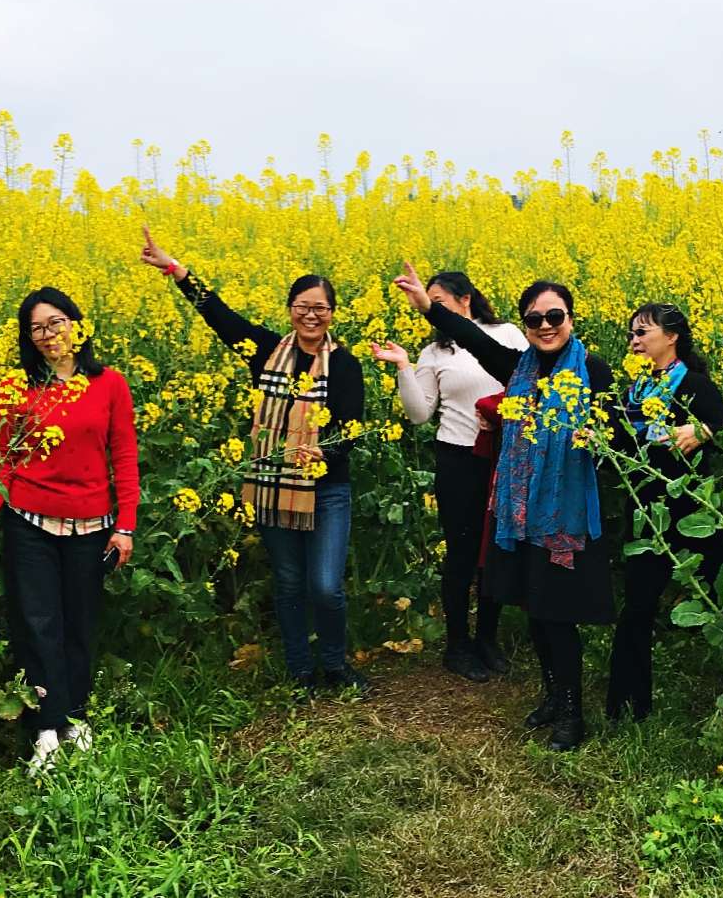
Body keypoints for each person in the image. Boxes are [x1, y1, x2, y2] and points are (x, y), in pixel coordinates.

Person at [391, 261, 614, 750]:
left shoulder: (593, 369)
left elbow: (617, 429)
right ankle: (552, 697)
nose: (545, 326)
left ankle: (572, 714)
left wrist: (598, 436)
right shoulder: (518, 368)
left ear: (571, 319)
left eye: (554, 316)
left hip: (566, 516)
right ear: (525, 325)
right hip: (523, 510)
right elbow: (471, 337)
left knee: (559, 615)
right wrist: (429, 308)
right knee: (537, 611)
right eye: (534, 319)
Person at [139, 229, 367, 695]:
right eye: (302, 306)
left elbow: (352, 428)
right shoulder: (266, 350)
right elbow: (218, 315)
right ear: (289, 309)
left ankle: (335, 665)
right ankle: (300, 671)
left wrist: (324, 452)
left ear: (332, 314)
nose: (310, 315)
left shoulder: (345, 365)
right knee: (289, 583)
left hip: (327, 489)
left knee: (325, 586)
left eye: (320, 308)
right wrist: (176, 270)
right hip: (272, 484)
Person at [0, 288, 139, 774]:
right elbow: (4, 454)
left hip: (91, 523)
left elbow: (124, 457)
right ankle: (47, 727)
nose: (47, 335)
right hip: (30, 520)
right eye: (36, 327)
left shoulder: (109, 384)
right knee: (38, 624)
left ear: (76, 325)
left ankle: (76, 719)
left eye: (56, 323)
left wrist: (125, 525)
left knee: (79, 623)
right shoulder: (16, 387)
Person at [370, 272, 528, 683]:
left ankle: (487, 638)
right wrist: (404, 366)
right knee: (461, 551)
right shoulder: (434, 353)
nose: (428, 307)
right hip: (458, 458)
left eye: (436, 300)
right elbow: (419, 413)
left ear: (466, 299)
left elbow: (530, 385)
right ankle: (458, 644)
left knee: (497, 547)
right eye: (426, 301)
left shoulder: (508, 335)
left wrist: (501, 411)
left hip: (505, 456)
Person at [606, 303, 723, 723]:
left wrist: (704, 430)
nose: (634, 342)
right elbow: (622, 447)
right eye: (631, 334)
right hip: (649, 516)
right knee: (637, 608)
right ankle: (628, 705)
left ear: (672, 336)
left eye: (642, 332)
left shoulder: (694, 385)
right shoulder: (634, 392)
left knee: (722, 602)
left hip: (694, 512)